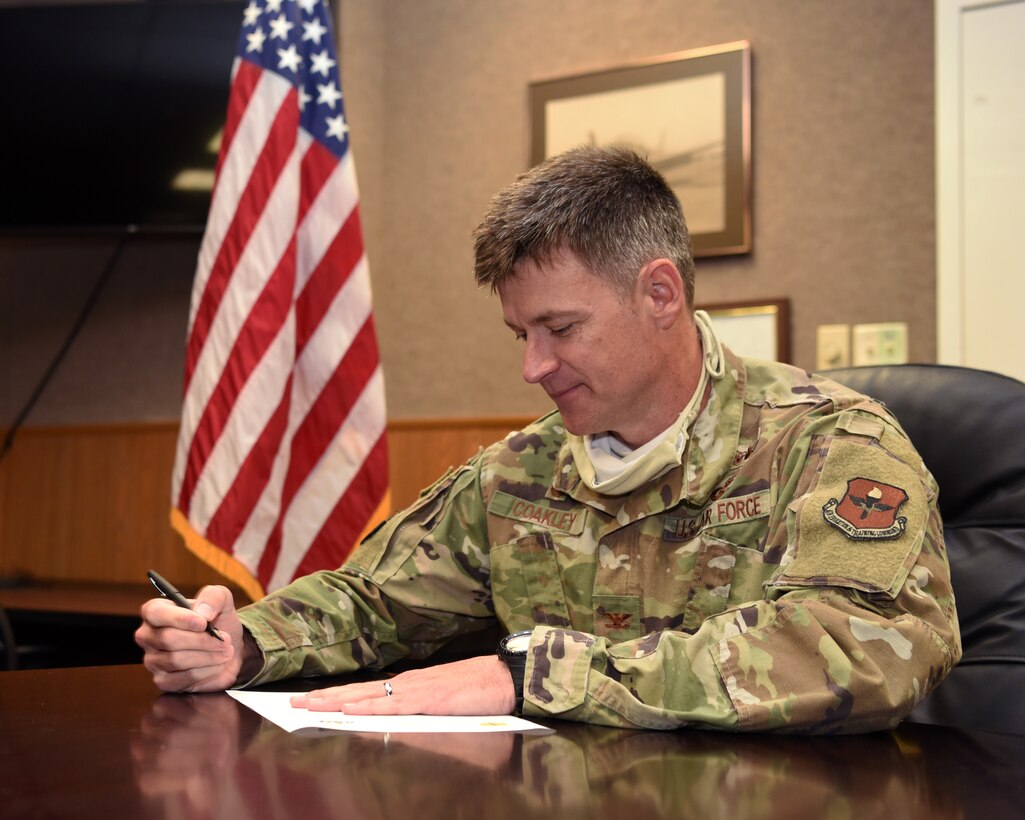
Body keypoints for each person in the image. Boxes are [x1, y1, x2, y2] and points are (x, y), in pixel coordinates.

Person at [136, 146, 960, 732]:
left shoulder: (827, 444)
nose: (533, 367)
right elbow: (374, 602)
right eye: (518, 334)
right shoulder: (518, 474)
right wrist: (244, 642)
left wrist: (533, 677)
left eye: (560, 328)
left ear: (660, 293)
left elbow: (861, 650)